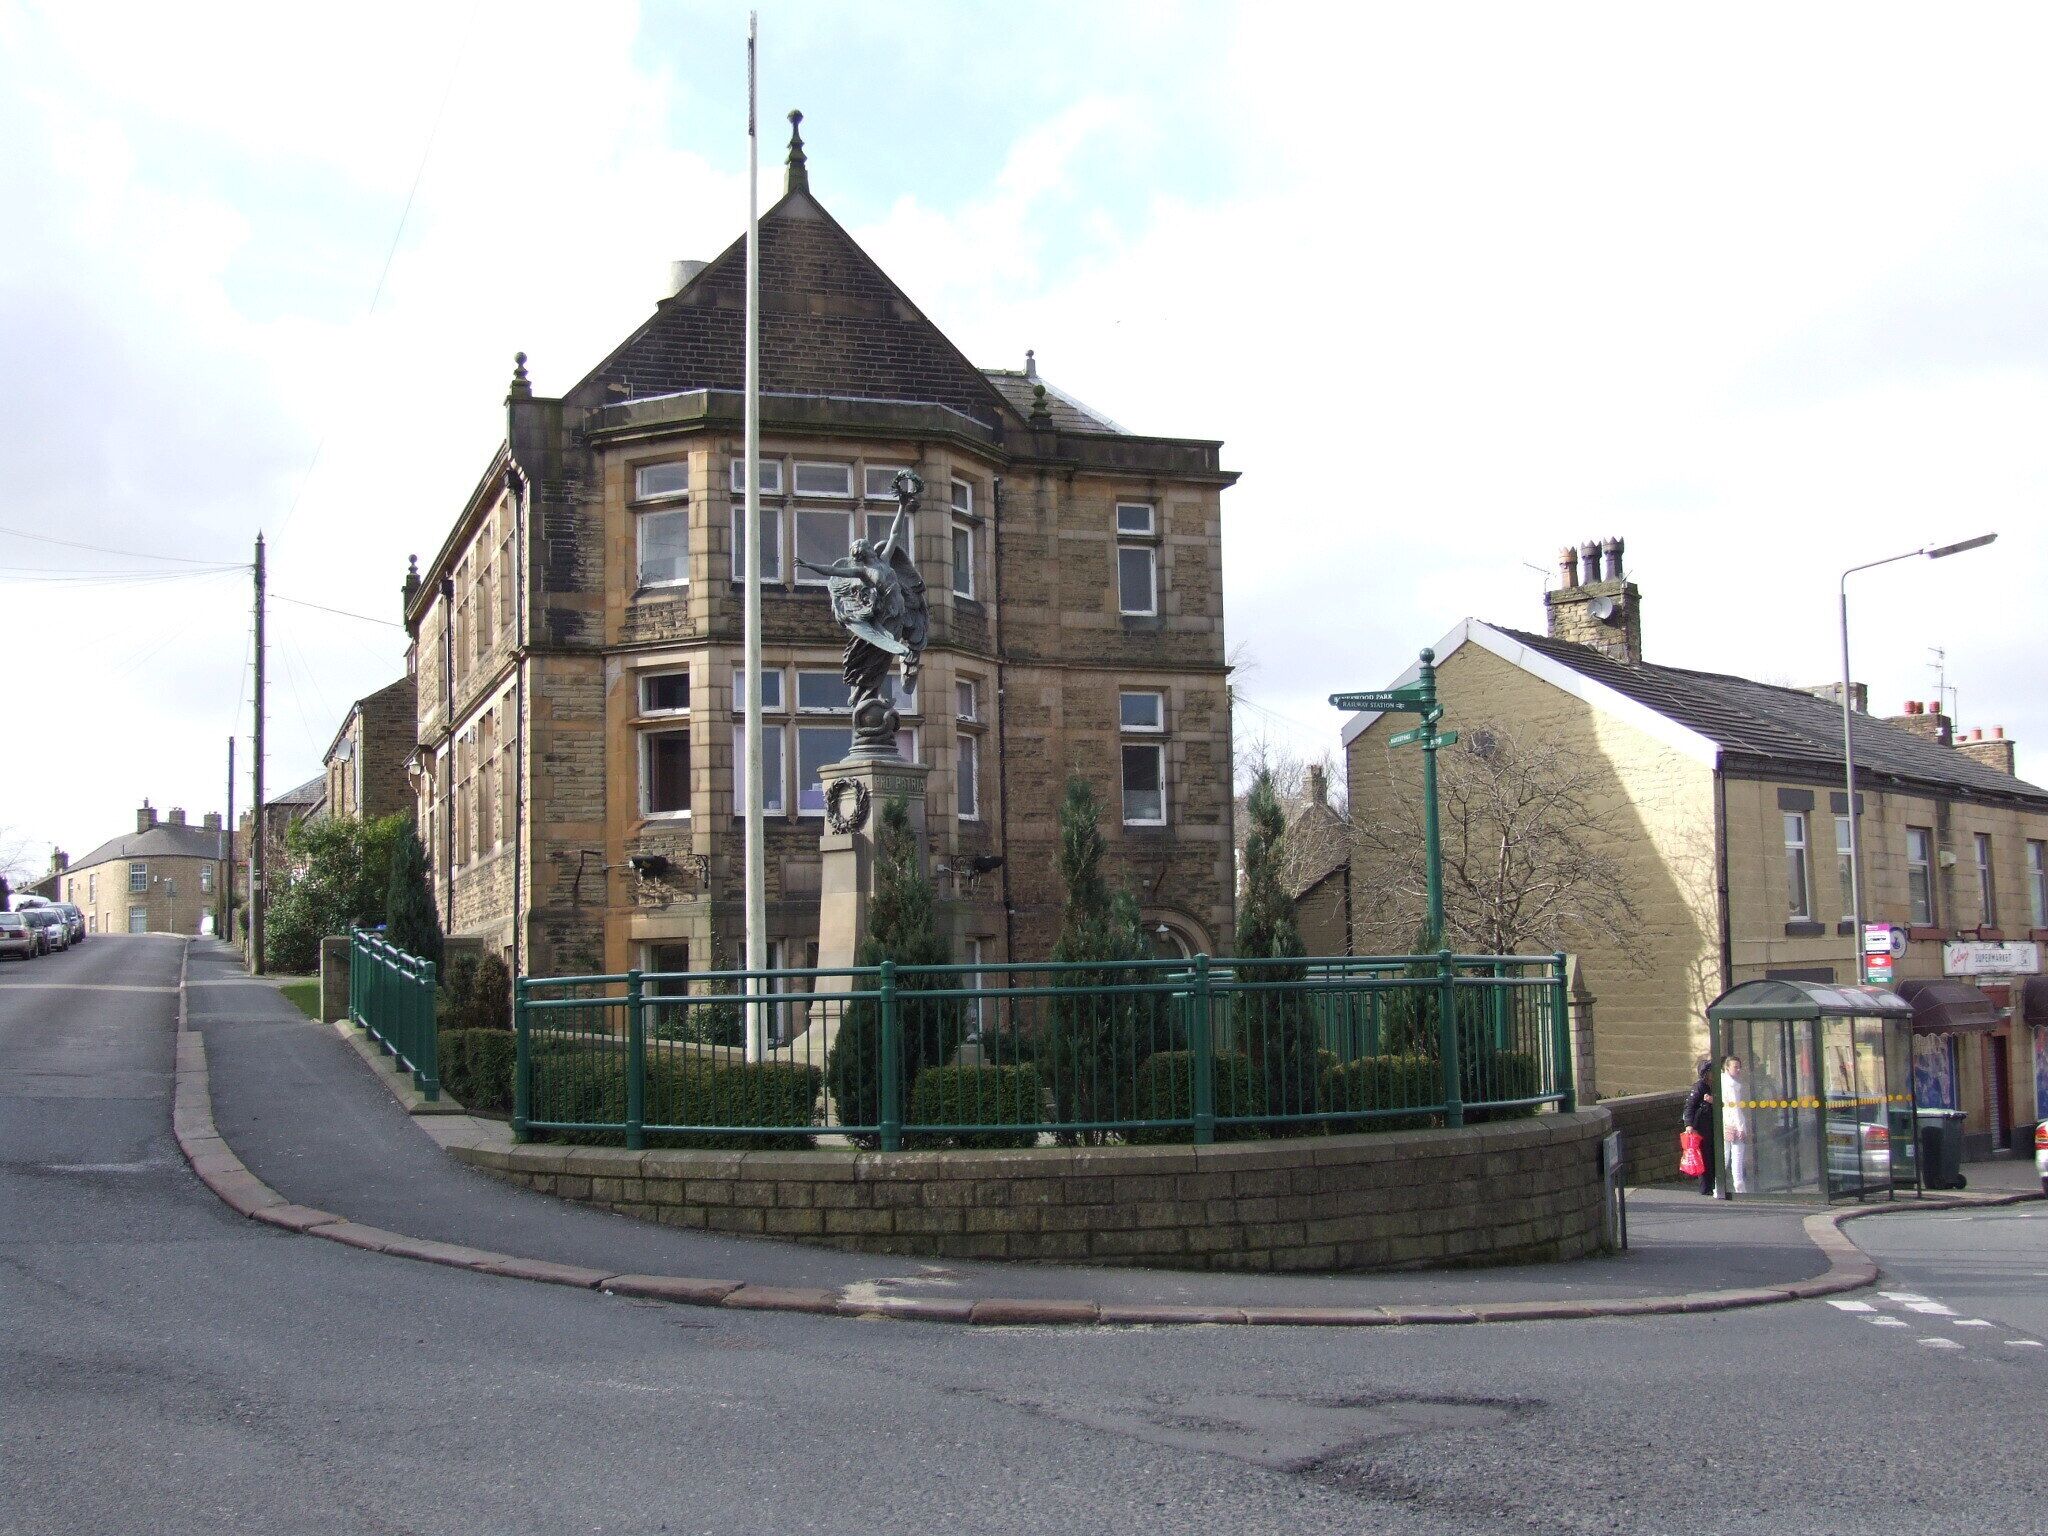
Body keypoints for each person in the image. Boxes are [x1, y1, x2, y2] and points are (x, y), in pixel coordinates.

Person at [1682, 1057, 1716, 1196]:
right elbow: (1689, 1106)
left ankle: (1712, 1184)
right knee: (1704, 1156)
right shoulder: (1699, 1087)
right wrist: (1689, 1125)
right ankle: (1705, 1187)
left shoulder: (1714, 1085)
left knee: (1711, 1155)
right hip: (1701, 1126)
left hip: (1711, 1125)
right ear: (1706, 1073)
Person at [1718, 1054, 1750, 1197]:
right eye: (1735, 1067)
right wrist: (1741, 1128)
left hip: (1725, 1123)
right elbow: (1735, 1108)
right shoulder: (1732, 1085)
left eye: (1739, 1067)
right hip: (1734, 1125)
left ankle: (1717, 1186)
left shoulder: (1722, 1082)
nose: (1738, 1070)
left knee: (1724, 1156)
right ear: (1726, 1067)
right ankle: (1739, 1186)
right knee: (1737, 1157)